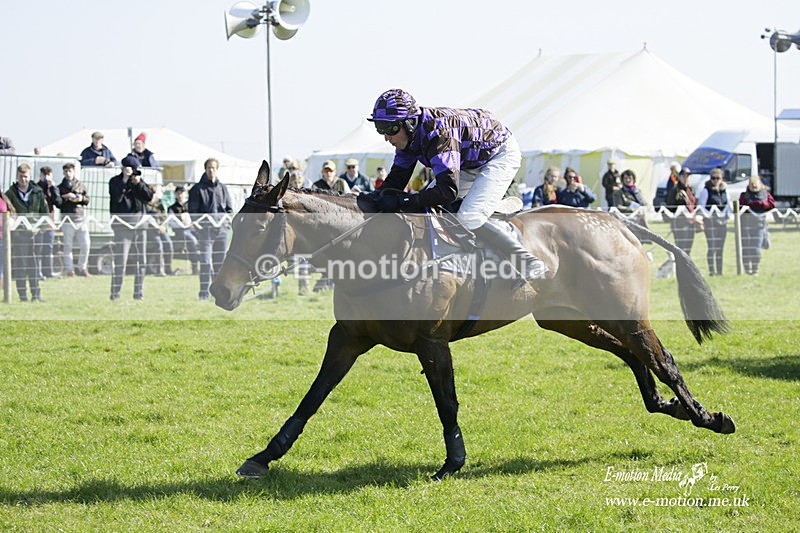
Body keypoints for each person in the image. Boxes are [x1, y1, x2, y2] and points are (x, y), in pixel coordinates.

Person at [360, 88, 546, 281]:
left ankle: (527, 260)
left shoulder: (438, 135)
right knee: (428, 208)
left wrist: (403, 201)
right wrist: (374, 199)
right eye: (380, 129)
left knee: (469, 217)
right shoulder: (409, 137)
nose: (386, 137)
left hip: (498, 155)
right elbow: (397, 180)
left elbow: (446, 191)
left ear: (410, 122)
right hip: (467, 160)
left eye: (390, 129)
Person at [109, 155, 153, 300]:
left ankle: (138, 293)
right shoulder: (115, 182)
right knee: (121, 261)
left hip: (140, 226)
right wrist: (124, 181)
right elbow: (116, 198)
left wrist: (138, 183)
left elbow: (148, 197)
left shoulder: (138, 182)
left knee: (142, 261)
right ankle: (115, 293)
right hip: (122, 227)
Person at [189, 157, 233, 300]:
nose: (211, 170)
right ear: (205, 169)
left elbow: (229, 209)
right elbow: (193, 211)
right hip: (205, 233)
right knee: (206, 263)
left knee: (220, 264)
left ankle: (218, 292)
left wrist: (225, 224)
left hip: (221, 232)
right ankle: (203, 293)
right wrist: (200, 226)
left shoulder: (223, 188)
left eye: (213, 167)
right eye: (209, 167)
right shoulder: (197, 189)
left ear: (217, 169)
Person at [5, 163, 49, 301]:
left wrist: (40, 230)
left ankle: (36, 295)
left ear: (30, 177)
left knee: (35, 265)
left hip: (36, 234)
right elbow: (7, 214)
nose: (23, 179)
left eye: (25, 177)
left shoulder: (38, 192)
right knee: (21, 265)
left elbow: (45, 214)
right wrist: (15, 232)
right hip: (20, 235)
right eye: (20, 177)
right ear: (17, 177)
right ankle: (22, 296)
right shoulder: (10, 193)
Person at [57, 162, 92, 277]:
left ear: (74, 172)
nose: (68, 173)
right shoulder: (60, 187)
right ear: (63, 172)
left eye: (70, 171)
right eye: (66, 171)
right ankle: (70, 270)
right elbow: (58, 203)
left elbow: (87, 200)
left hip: (80, 218)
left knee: (86, 245)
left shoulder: (80, 185)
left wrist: (79, 198)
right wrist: (66, 197)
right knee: (67, 246)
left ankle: (82, 267)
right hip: (67, 219)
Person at [738, 175, 775, 275]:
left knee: (756, 249)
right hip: (745, 226)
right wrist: (752, 205)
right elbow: (739, 207)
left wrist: (761, 204)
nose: (754, 187)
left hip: (759, 226)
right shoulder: (744, 195)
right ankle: (747, 269)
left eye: (755, 185)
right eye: (752, 185)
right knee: (746, 248)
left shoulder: (766, 194)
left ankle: (755, 268)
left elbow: (772, 205)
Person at [697, 167, 730, 276]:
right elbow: (701, 206)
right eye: (713, 178)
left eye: (718, 178)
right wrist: (709, 216)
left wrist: (726, 216)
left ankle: (720, 271)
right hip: (710, 222)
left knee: (720, 248)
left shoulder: (725, 190)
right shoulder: (706, 191)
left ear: (721, 179)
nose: (715, 180)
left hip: (722, 223)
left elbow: (728, 205)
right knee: (712, 247)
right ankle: (712, 271)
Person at [34, 166, 62, 279]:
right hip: (39, 222)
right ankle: (37, 272)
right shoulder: (36, 187)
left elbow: (58, 202)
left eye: (48, 175)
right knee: (38, 248)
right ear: (40, 175)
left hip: (50, 222)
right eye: (43, 175)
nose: (45, 177)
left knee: (48, 248)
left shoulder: (53, 188)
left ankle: (48, 272)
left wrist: (53, 188)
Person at [666, 167, 698, 256]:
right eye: (683, 176)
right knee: (681, 250)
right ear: (679, 177)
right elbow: (669, 206)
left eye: (688, 176)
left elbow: (695, 204)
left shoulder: (691, 189)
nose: (686, 178)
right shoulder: (675, 190)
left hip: (691, 223)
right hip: (680, 223)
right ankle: (680, 269)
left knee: (688, 250)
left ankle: (686, 269)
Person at [146, 185, 176, 276]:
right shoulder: (145, 205)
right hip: (151, 230)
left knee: (169, 244)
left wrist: (163, 227)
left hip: (162, 229)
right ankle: (160, 270)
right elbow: (147, 219)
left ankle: (168, 268)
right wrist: (156, 227)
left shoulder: (160, 204)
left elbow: (164, 217)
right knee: (159, 245)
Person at [168, 185, 199, 275]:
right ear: (175, 194)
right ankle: (194, 266)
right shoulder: (172, 208)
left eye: (182, 192)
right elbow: (171, 222)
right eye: (178, 193)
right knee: (192, 240)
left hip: (193, 228)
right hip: (180, 231)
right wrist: (181, 225)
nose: (180, 195)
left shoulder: (191, 205)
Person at [0, 192, 14, 287]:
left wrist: (11, 222)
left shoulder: (3, 199)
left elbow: (12, 212)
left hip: (2, 237)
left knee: (1, 265)